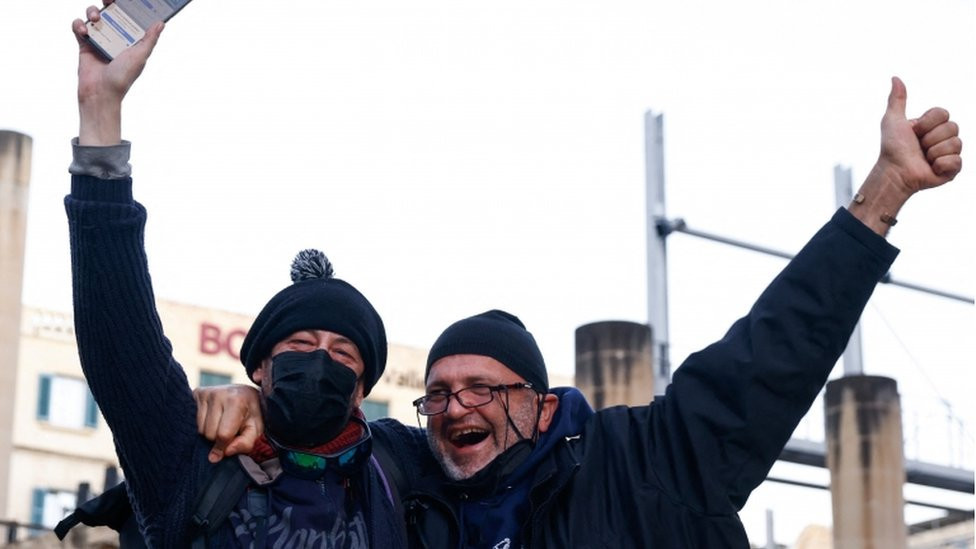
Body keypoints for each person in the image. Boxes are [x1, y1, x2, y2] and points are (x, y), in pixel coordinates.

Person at [195, 75, 963, 548]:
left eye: (483, 387)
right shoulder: (413, 484)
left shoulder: (647, 463)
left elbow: (777, 349)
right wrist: (256, 404)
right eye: (438, 392)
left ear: (537, 402)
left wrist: (886, 192)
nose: (455, 404)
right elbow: (325, 435)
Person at [66, 3, 406, 547]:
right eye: (299, 343)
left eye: (343, 355)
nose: (320, 361)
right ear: (259, 369)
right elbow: (118, 338)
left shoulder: (398, 472)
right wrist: (100, 109)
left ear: (362, 390)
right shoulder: (190, 459)